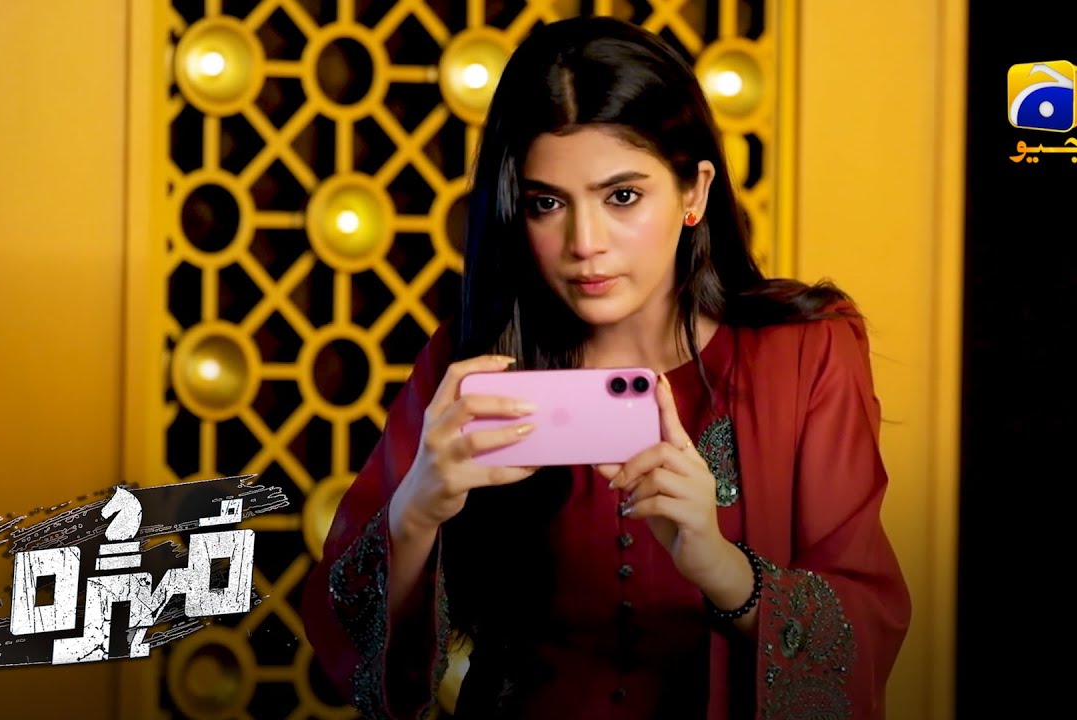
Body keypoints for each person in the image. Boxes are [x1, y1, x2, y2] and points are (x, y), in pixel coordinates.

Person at [301, 15, 911, 720]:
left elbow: (864, 630)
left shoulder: (805, 352)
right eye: (547, 203)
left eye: (622, 196)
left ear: (694, 192)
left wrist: (722, 568)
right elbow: (360, 664)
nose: (584, 242)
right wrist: (415, 513)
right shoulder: (471, 367)